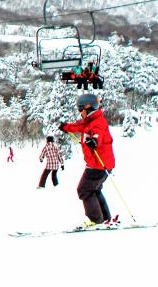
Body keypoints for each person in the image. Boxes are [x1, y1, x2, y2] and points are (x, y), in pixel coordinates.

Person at [59, 93, 116, 226]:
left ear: (88, 108)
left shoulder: (97, 122)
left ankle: (96, 220)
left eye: (80, 109)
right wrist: (66, 127)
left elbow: (98, 135)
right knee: (94, 190)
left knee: (84, 190)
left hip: (98, 165)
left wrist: (94, 141)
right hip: (100, 164)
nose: (79, 113)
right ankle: (105, 218)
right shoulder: (89, 121)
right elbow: (78, 126)